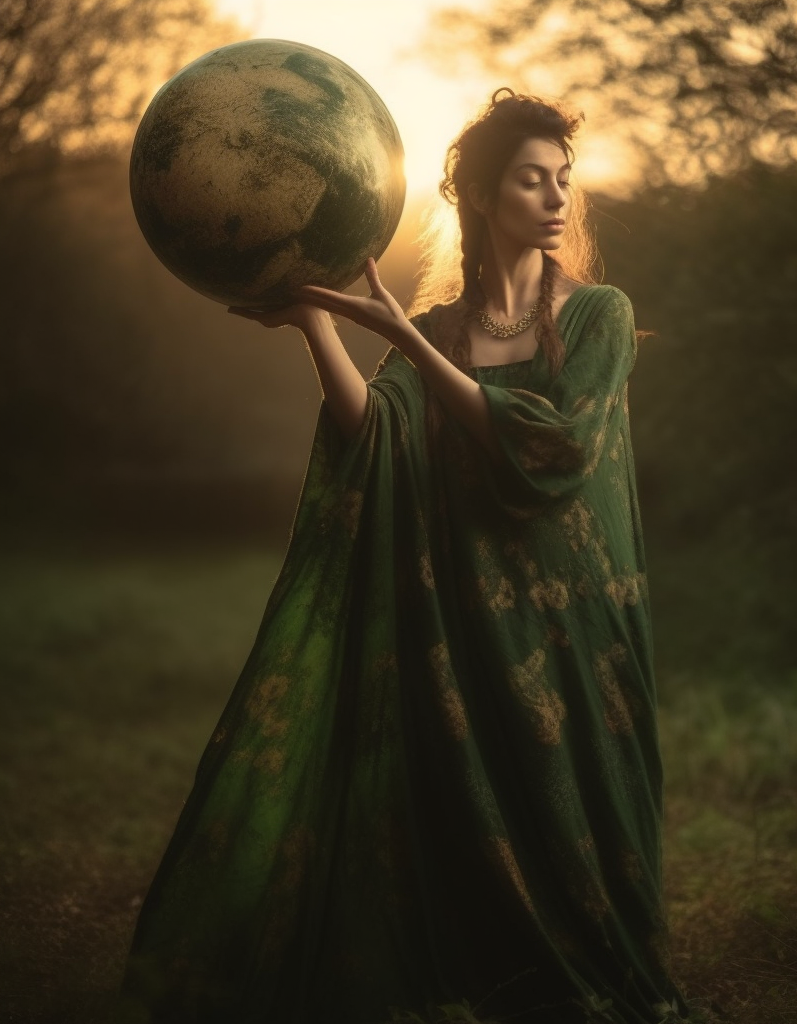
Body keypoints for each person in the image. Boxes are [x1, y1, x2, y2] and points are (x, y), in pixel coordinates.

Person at [114, 88, 692, 1024]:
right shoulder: (445, 329)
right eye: (530, 181)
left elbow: (553, 449)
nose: (555, 200)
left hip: (572, 619)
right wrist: (319, 325)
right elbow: (373, 437)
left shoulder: (598, 318)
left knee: (577, 829)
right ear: (480, 198)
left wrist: (401, 335)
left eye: (563, 181)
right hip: (460, 609)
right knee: (463, 824)